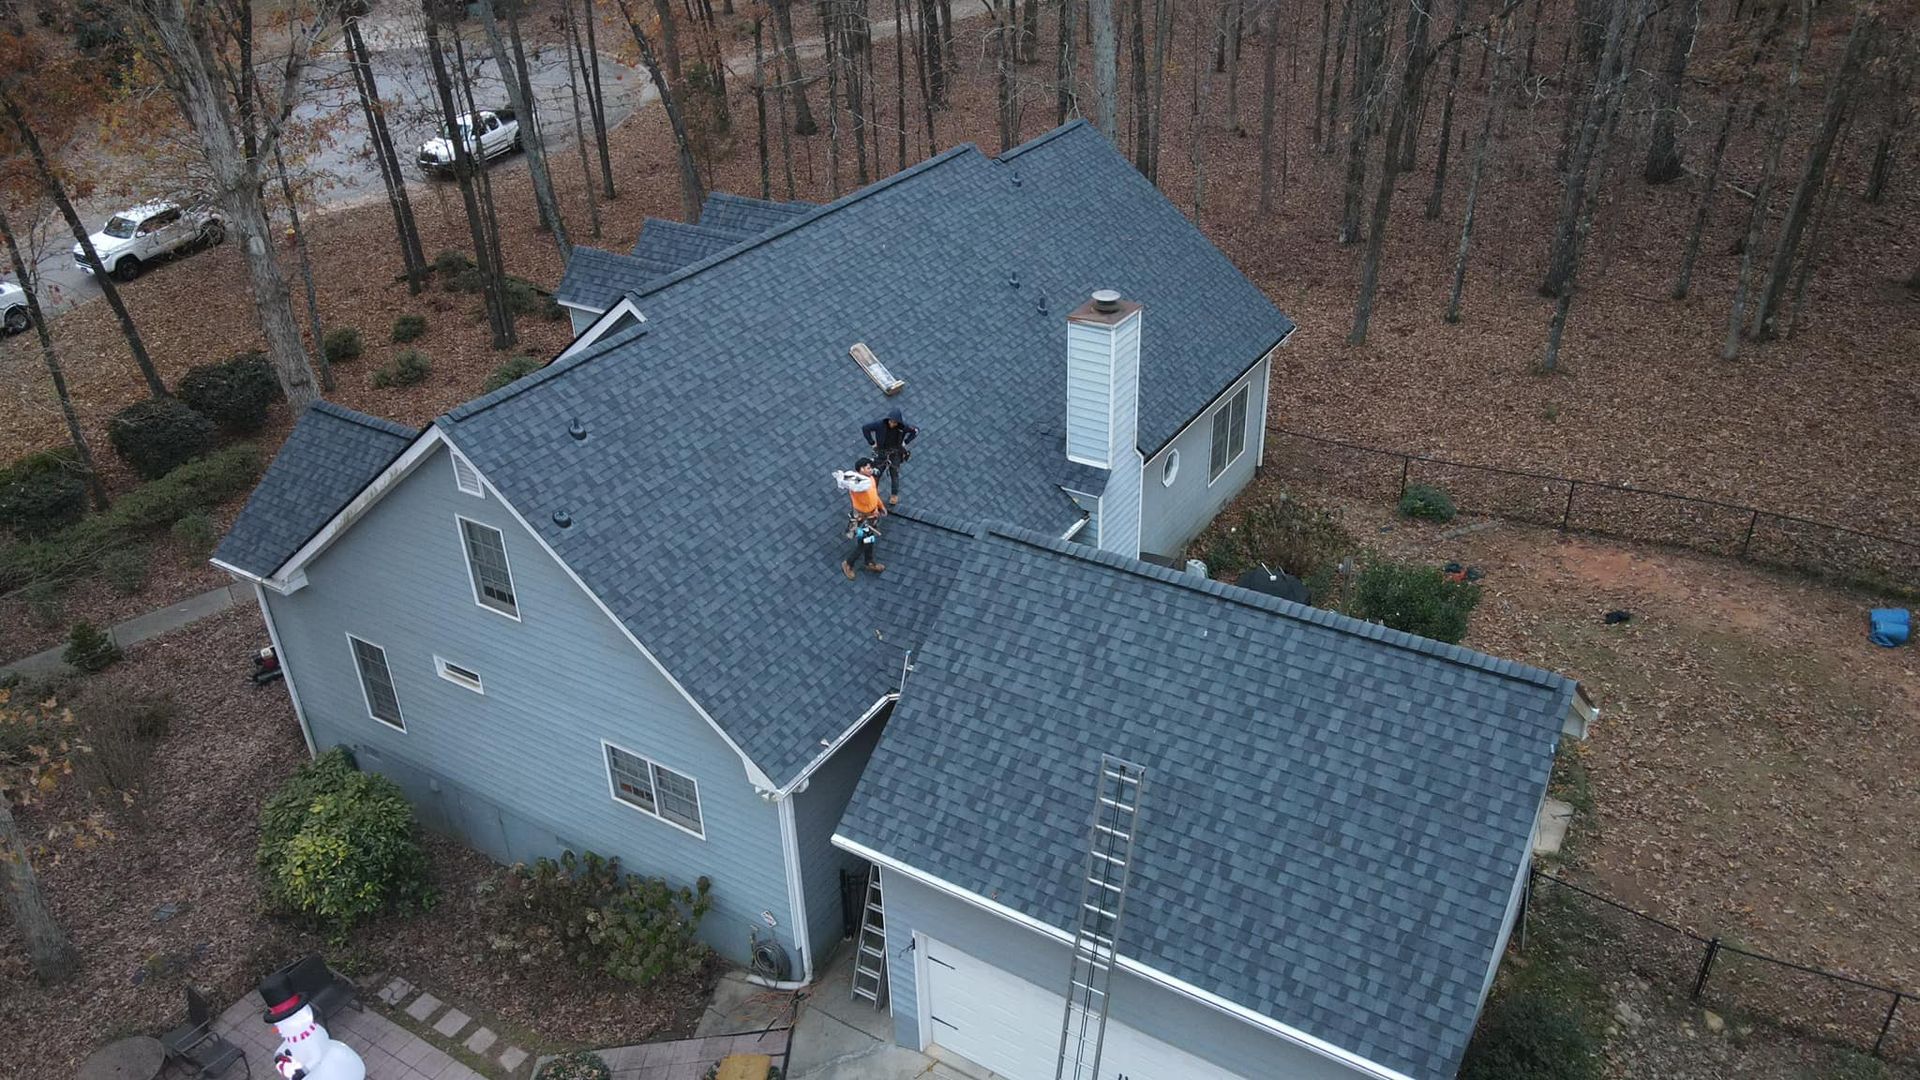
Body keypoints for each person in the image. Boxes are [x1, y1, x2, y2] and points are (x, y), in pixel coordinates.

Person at [834, 459, 888, 579]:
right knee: (863, 542)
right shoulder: (858, 484)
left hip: (872, 516)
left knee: (869, 539)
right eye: (868, 468)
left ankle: (869, 562)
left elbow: (874, 494)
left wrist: (880, 506)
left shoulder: (870, 480)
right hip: (862, 519)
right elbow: (851, 483)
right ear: (861, 469)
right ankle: (848, 563)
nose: (871, 470)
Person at [860, 408, 918, 506]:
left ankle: (894, 495)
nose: (892, 424)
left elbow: (916, 431)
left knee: (894, 474)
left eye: (894, 422)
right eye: (891, 421)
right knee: (876, 473)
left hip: (895, 453)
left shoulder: (902, 427)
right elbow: (865, 428)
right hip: (882, 452)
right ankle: (873, 494)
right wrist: (872, 443)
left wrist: (905, 442)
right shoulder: (880, 425)